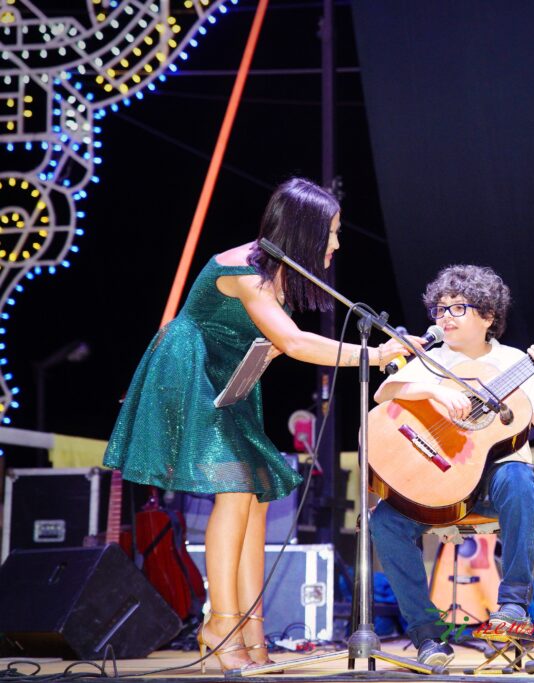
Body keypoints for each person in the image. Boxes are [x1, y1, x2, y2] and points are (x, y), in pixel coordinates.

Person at [103, 178, 418, 674]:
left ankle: (250, 629)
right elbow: (293, 342)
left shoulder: (276, 275)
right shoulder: (246, 271)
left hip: (230, 379)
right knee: (234, 493)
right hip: (190, 372)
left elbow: (274, 342)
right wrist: (375, 353)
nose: (336, 243)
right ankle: (219, 625)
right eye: (332, 232)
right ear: (305, 230)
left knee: (249, 494)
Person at [369, 264, 534, 667]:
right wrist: (432, 388)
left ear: (488, 316)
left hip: (492, 487)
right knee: (383, 520)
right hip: (436, 486)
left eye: (457, 308)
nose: (444, 317)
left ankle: (512, 606)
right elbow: (382, 392)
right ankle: (428, 636)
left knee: (518, 476)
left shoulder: (516, 362)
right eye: (439, 309)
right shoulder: (432, 358)